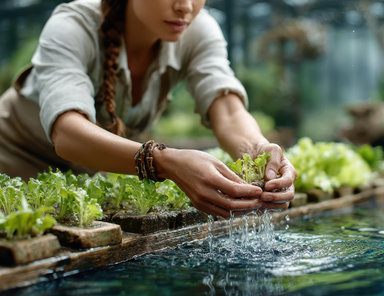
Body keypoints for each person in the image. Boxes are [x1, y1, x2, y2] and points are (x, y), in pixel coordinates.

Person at [0, 0, 297, 218]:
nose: (185, 6)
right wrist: (162, 161)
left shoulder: (198, 30)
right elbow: (67, 132)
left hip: (81, 184)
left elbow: (229, 112)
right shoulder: (72, 26)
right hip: (12, 164)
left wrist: (259, 150)